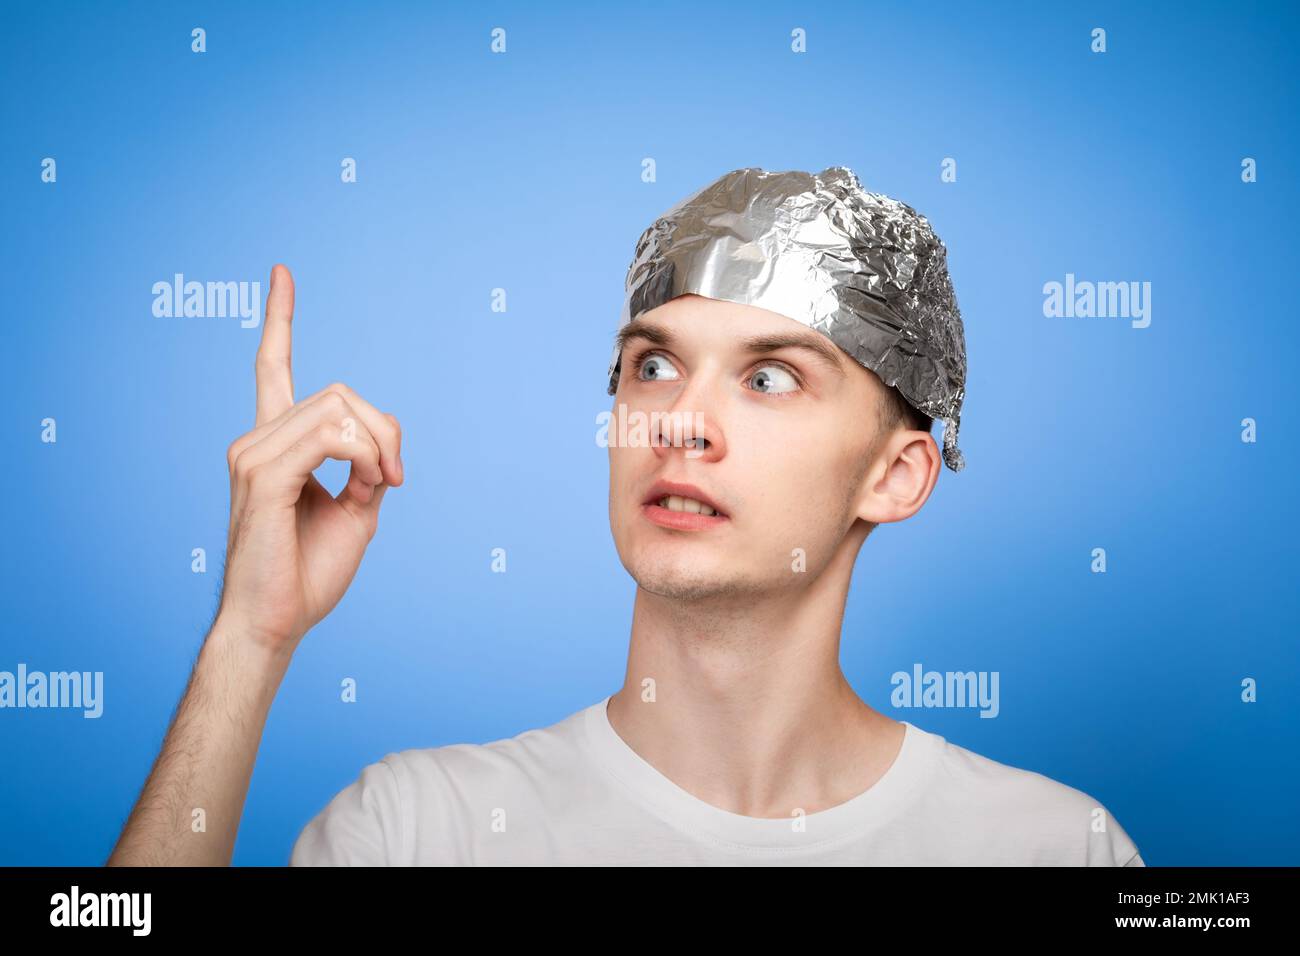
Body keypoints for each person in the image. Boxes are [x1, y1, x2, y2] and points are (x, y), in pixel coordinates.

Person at [108, 167, 1144, 866]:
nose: (680, 422)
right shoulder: (423, 829)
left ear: (897, 475)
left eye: (771, 378)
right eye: (652, 366)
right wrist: (248, 640)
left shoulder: (1052, 845)